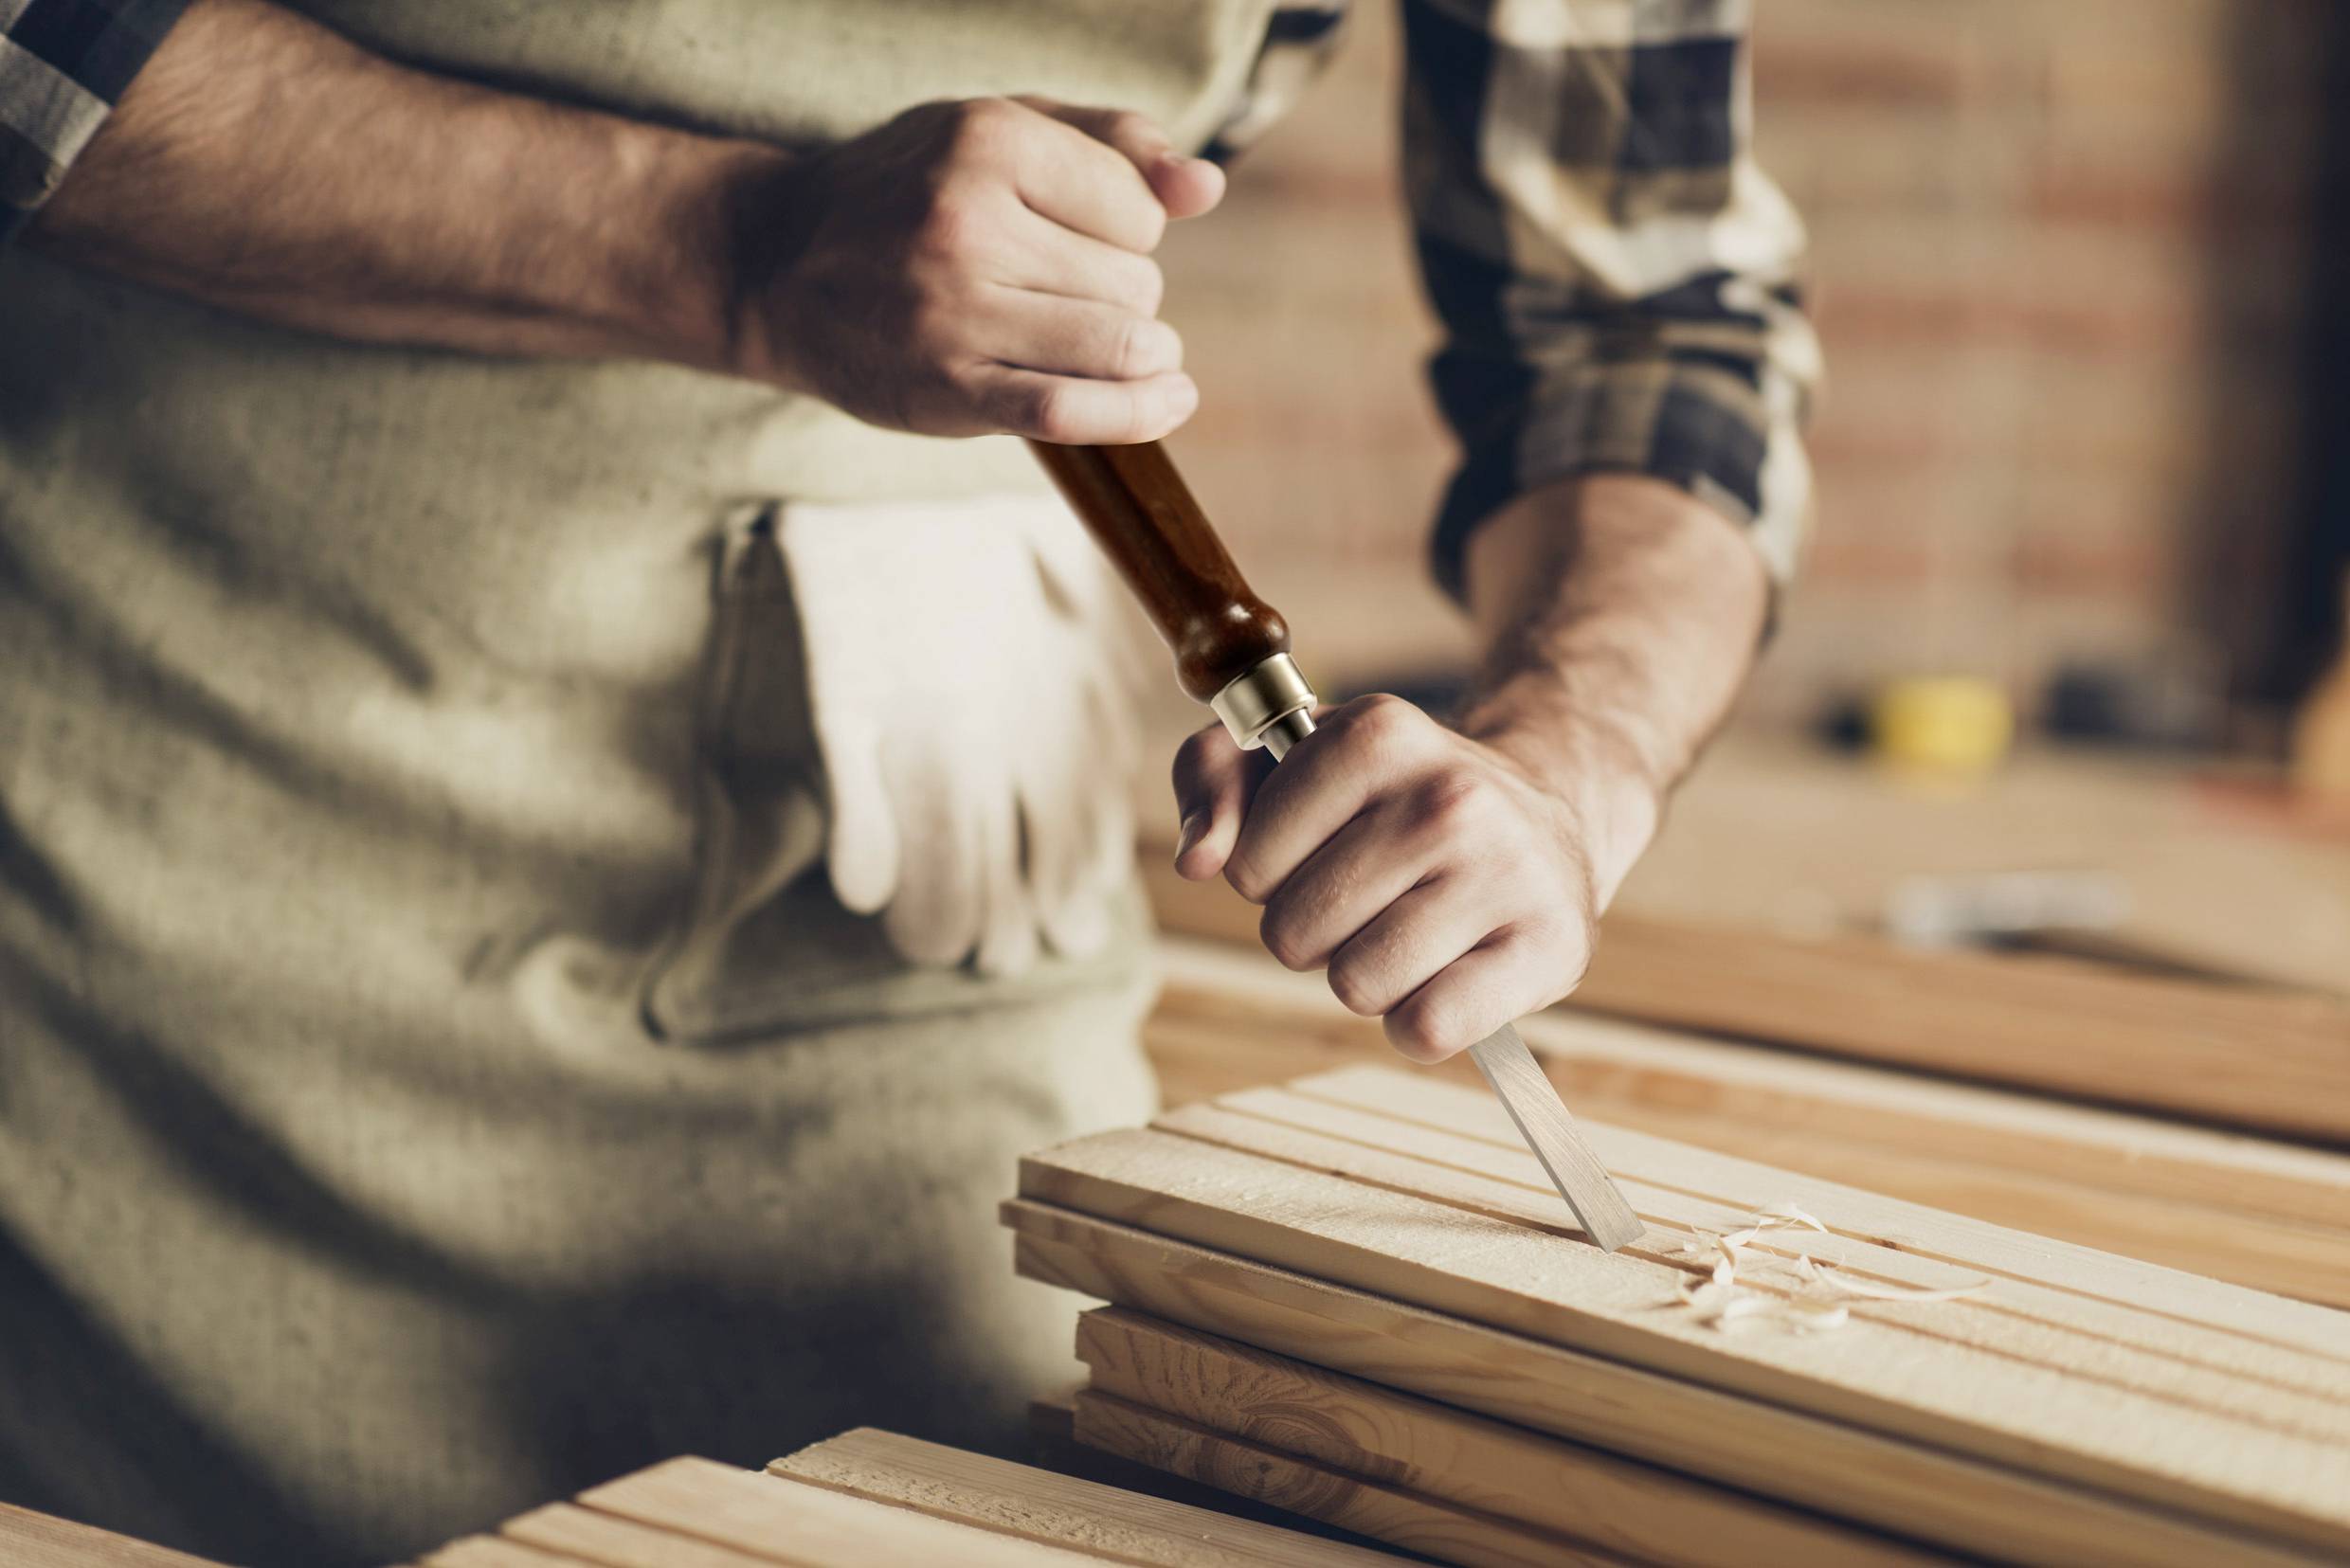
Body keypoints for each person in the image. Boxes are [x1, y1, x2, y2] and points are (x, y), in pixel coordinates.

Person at [0, 1, 1817, 1561]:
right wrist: (734, 249)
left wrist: (1569, 767)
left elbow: (1652, 327)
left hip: (912, 847)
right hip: (161, 816)